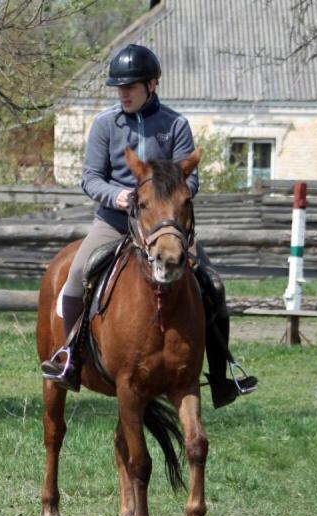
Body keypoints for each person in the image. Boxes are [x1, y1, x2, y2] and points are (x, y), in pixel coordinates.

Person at [41, 44, 256, 408]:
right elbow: (91, 178)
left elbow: (192, 181)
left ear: (152, 85)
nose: (123, 93)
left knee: (213, 284)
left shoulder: (175, 125)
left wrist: (163, 205)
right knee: (76, 276)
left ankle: (222, 375)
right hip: (114, 222)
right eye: (119, 88)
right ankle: (70, 360)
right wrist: (117, 197)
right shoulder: (105, 125)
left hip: (164, 225)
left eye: (131, 87)